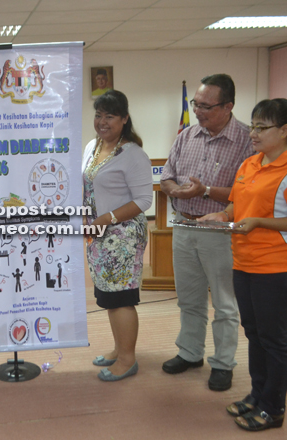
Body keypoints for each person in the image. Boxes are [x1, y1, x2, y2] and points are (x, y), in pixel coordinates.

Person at [201, 98, 287, 431]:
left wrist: (259, 222)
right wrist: (223, 215)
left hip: (278, 268)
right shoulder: (249, 165)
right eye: (252, 125)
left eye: (261, 127)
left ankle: (274, 407)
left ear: (285, 131)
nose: (252, 133)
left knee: (274, 338)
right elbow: (236, 207)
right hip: (245, 263)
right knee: (254, 333)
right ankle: (257, 395)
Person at [160, 74, 255, 391]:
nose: (198, 111)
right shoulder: (187, 136)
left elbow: (248, 193)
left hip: (220, 231)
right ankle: (190, 353)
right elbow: (167, 178)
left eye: (206, 106)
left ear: (228, 106)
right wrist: (179, 191)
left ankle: (223, 363)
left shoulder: (246, 140)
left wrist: (205, 192)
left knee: (225, 304)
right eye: (195, 104)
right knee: (189, 299)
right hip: (184, 226)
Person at [82, 90, 152, 382]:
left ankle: (127, 359)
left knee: (121, 297)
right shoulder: (92, 146)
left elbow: (144, 200)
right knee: (108, 295)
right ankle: (118, 349)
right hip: (97, 234)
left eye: (110, 116)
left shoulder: (133, 153)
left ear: (124, 119)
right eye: (99, 114)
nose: (102, 121)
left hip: (122, 236)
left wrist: (106, 219)